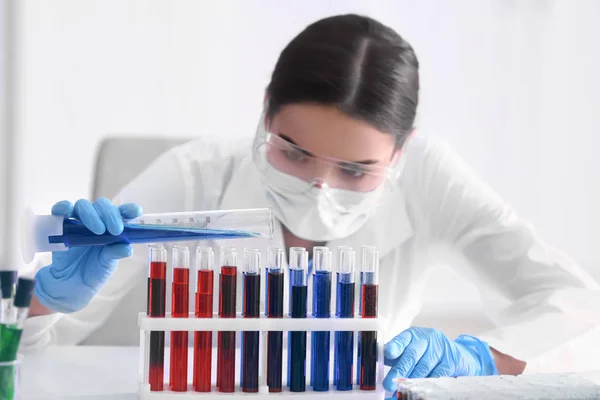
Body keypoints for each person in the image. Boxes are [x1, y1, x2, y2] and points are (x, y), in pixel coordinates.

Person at [22, 14, 600, 393]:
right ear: (266, 112)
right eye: (294, 153)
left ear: (402, 151)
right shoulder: (192, 176)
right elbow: (26, 360)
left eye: (355, 169)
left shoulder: (430, 177)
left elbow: (575, 303)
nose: (319, 188)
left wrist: (486, 358)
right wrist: (45, 299)